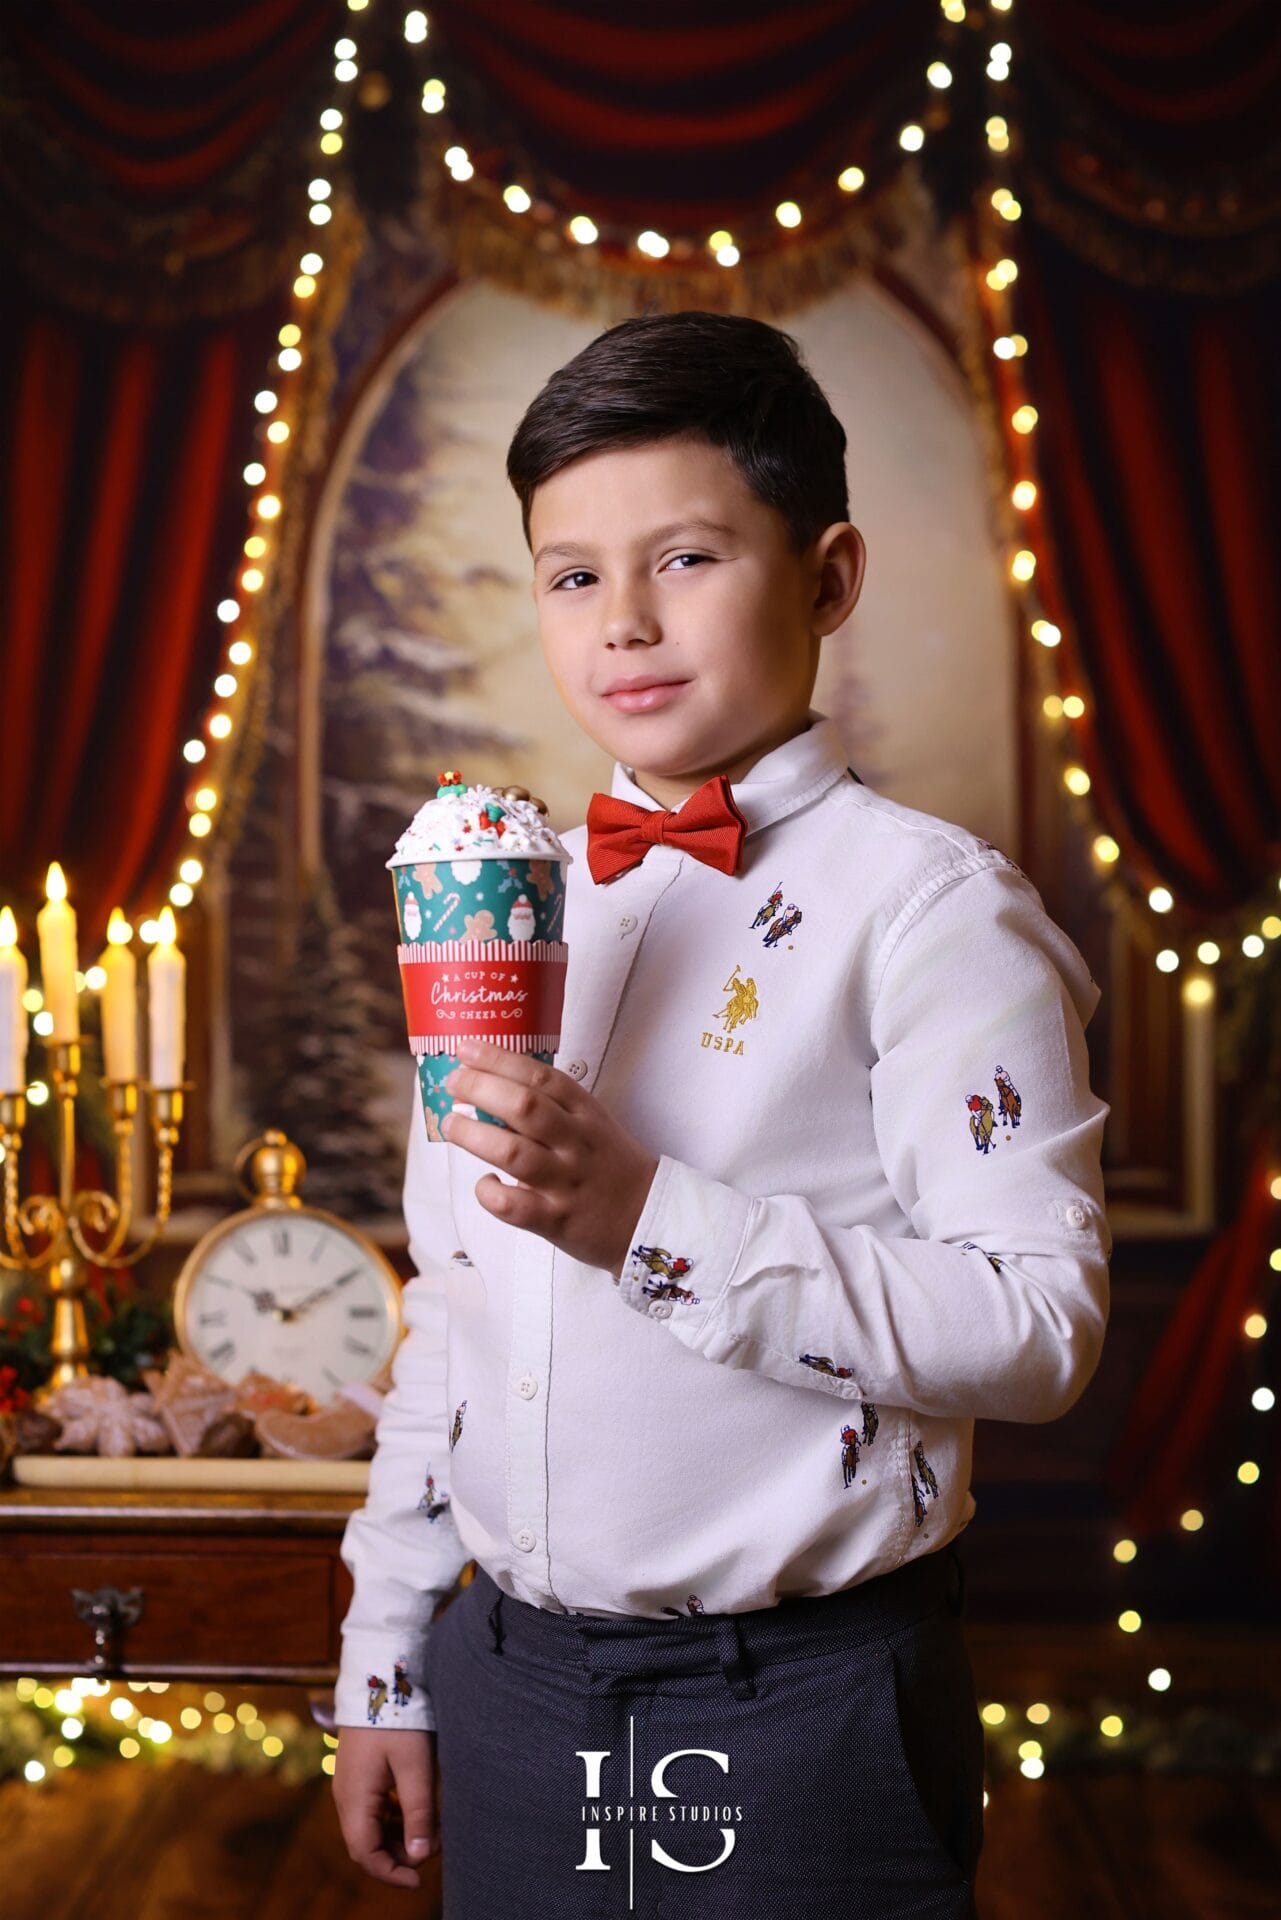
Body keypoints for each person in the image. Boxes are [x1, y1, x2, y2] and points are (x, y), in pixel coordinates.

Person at [330, 310, 1112, 1916]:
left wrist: (644, 1220)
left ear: (827, 577)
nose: (621, 622)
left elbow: (1041, 1326)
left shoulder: (932, 913)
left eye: (684, 557)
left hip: (805, 1697)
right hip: (510, 1682)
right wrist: (388, 1654)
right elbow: (451, 1320)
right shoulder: (493, 904)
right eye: (571, 574)